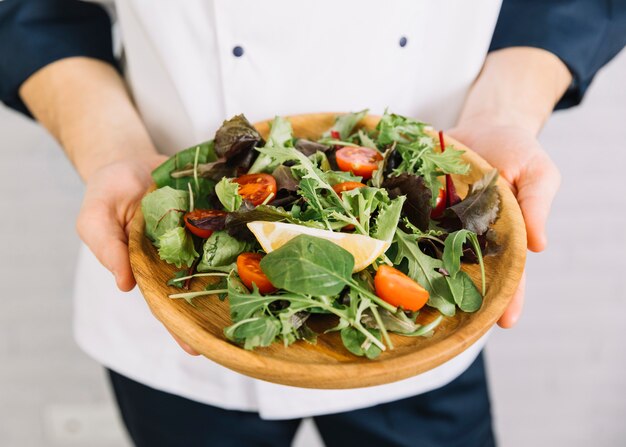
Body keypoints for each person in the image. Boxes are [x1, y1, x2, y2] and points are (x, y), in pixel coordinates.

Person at [1, 1, 624, 446]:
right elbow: (31, 12)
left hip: (415, 326)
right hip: (184, 304)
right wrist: (110, 150)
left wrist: (508, 110)